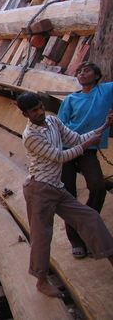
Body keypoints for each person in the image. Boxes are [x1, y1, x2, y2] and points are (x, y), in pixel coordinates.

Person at [16, 92, 113, 298]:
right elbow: (60, 157)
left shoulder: (52, 121)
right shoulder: (31, 136)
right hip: (40, 190)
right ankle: (41, 281)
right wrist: (87, 145)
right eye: (35, 110)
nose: (41, 112)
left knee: (91, 217)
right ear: (25, 114)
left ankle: (110, 256)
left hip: (56, 188)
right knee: (42, 237)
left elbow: (75, 138)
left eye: (41, 107)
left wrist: (104, 127)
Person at [58, 62, 113, 259]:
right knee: (68, 195)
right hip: (67, 149)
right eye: (79, 71)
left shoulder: (105, 91)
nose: (82, 73)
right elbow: (60, 126)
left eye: (87, 70)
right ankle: (76, 240)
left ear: (97, 76)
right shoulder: (71, 99)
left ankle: (86, 224)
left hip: (88, 150)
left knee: (98, 187)